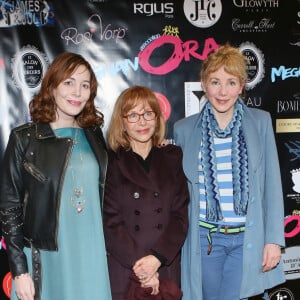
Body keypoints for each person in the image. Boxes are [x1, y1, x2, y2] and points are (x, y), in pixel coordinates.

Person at [174, 44, 286, 300]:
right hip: (205, 240)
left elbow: (272, 185)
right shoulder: (183, 129)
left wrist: (273, 240)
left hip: (248, 238)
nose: (222, 91)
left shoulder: (260, 122)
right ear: (204, 83)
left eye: (231, 82)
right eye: (215, 81)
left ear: (242, 85)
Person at [0, 52, 112, 300]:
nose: (77, 92)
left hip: (92, 251)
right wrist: (19, 270)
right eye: (69, 82)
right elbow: (9, 207)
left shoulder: (94, 134)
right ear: (52, 86)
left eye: (85, 85)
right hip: (48, 256)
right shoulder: (24, 138)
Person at [103, 85, 189, 300]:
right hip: (127, 268)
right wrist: (142, 268)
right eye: (133, 115)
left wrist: (156, 259)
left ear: (157, 118)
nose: (142, 122)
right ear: (121, 122)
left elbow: (180, 216)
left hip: (164, 265)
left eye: (148, 113)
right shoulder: (110, 162)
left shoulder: (173, 157)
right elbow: (110, 222)